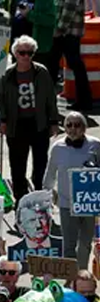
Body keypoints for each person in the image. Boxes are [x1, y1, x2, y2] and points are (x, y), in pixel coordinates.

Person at [0, 34, 60, 198]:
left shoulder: (41, 72)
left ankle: (40, 194)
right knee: (17, 164)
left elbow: (50, 98)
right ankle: (20, 197)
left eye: (29, 53)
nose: (26, 56)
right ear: (15, 54)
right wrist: (2, 120)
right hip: (16, 124)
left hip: (38, 123)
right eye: (22, 53)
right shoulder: (7, 75)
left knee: (40, 163)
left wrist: (54, 121)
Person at [46, 111, 100, 261]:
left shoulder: (96, 145)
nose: (72, 129)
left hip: (87, 204)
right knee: (68, 244)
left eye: (77, 125)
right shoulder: (57, 147)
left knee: (85, 243)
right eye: (69, 125)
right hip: (66, 203)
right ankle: (70, 274)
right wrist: (48, 195)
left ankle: (82, 271)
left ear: (84, 127)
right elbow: (50, 173)